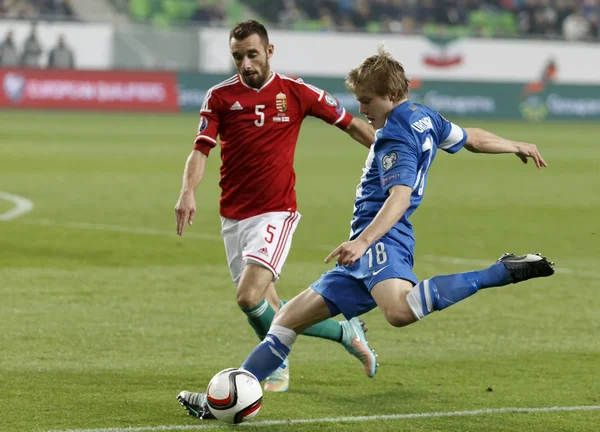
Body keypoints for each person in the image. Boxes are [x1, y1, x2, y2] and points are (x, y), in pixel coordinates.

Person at [183, 43, 556, 417]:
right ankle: (223, 402)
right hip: (366, 246)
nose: (361, 110)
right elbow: (469, 138)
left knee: (398, 311)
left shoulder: (396, 134)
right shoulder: (423, 116)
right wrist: (514, 144)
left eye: (367, 101)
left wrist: (363, 241)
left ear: (391, 96)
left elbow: (399, 196)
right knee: (285, 320)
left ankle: (499, 271)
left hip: (380, 239)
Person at [174, 20, 377, 417]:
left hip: (276, 211)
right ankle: (323, 339)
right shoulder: (219, 97)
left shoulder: (296, 92)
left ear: (269, 51)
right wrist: (187, 190)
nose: (245, 64)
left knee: (249, 296)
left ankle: (297, 351)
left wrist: (396, 150)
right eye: (237, 56)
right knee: (263, 304)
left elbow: (354, 126)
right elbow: (201, 149)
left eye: (252, 54)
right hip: (233, 217)